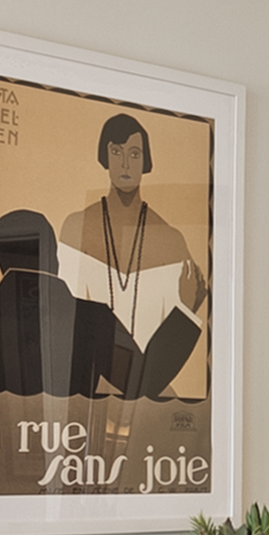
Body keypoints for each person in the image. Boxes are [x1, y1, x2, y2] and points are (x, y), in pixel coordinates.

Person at [62, 112, 205, 432]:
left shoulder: (171, 240)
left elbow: (163, 355)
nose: (125, 163)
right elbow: (72, 322)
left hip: (152, 402)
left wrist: (186, 309)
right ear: (105, 156)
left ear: (146, 161)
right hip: (90, 398)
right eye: (116, 152)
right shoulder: (76, 228)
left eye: (135, 153)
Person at [0, 207, 133, 399]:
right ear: (53, 257)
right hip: (73, 419)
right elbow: (138, 382)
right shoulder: (95, 317)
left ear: (0, 260)